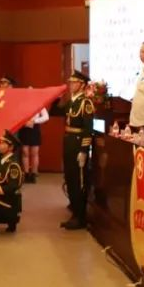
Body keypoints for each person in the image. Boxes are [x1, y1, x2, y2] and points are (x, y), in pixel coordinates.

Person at [59, 70, 94, 230]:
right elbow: (56, 112)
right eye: (70, 82)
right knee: (70, 178)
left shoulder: (85, 103)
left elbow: (88, 129)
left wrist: (84, 150)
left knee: (78, 180)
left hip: (78, 143)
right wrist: (55, 97)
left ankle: (80, 217)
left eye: (74, 83)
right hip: (69, 142)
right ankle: (74, 211)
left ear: (82, 85)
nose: (71, 85)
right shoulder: (72, 102)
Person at [18, 101, 49, 184]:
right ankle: (26, 174)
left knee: (34, 152)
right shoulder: (21, 103)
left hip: (34, 128)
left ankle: (34, 174)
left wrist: (34, 121)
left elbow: (46, 117)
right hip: (24, 127)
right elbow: (17, 115)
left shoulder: (38, 103)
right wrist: (24, 122)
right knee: (25, 152)